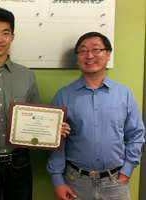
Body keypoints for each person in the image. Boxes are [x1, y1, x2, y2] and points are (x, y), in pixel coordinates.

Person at [0, 7, 70, 200]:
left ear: (12, 36)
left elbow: (38, 121)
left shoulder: (27, 76)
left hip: (18, 162)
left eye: (5, 33)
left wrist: (52, 130)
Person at [46, 32, 145, 200]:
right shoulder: (63, 95)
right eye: (83, 51)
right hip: (75, 182)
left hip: (115, 183)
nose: (89, 55)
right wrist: (57, 181)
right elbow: (55, 141)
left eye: (96, 49)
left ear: (108, 54)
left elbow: (136, 135)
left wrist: (126, 172)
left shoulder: (124, 94)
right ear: (77, 58)